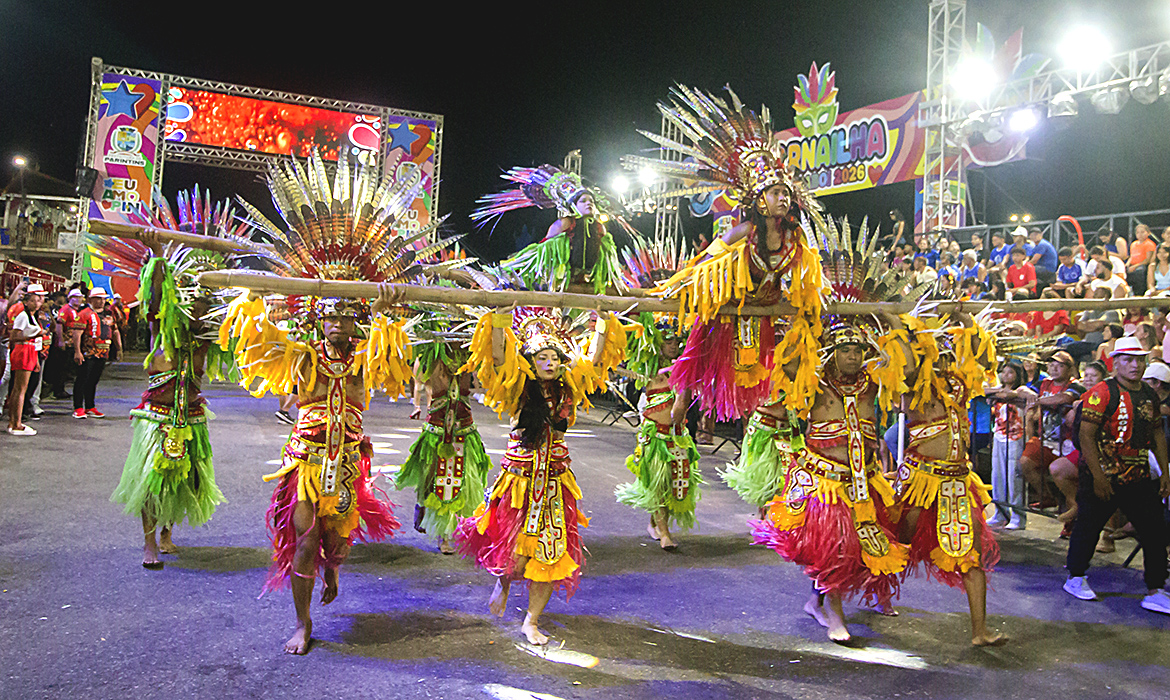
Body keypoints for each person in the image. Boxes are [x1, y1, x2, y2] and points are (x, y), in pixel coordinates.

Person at [455, 305, 625, 646]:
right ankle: (502, 584)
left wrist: (604, 323)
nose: (548, 362)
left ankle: (531, 621)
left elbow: (591, 361)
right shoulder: (518, 387)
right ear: (530, 363)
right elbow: (501, 360)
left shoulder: (568, 388)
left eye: (553, 357)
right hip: (519, 482)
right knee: (514, 556)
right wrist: (501, 321)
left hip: (555, 483)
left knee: (550, 554)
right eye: (541, 357)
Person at [752, 316, 909, 642]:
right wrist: (805, 323)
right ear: (831, 353)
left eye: (858, 350)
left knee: (861, 547)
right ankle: (836, 615)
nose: (853, 356)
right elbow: (790, 363)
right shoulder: (815, 380)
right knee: (835, 547)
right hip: (825, 481)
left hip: (864, 482)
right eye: (845, 350)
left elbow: (904, 368)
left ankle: (817, 600)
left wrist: (894, 323)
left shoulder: (873, 382)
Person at [110, 236, 230, 568]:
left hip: (192, 418)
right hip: (157, 417)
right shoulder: (161, 328)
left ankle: (166, 532)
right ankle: (149, 543)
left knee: (182, 481)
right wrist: (159, 257)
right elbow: (153, 297)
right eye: (191, 303)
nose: (197, 310)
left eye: (203, 306)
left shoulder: (207, 338)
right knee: (151, 482)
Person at [892, 313, 1005, 646]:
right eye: (930, 347)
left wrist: (965, 319)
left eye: (942, 347)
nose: (938, 354)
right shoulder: (911, 382)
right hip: (919, 482)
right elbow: (909, 363)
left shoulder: (959, 382)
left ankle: (979, 631)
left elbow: (983, 359)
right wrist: (896, 322)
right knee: (895, 545)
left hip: (958, 482)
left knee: (971, 555)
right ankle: (875, 596)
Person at [1063, 338, 1170, 615]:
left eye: (1139, 359)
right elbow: (1086, 435)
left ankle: (1156, 588)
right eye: (1128, 359)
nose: (1135, 365)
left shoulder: (1148, 394)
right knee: (1089, 526)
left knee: (1154, 531)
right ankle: (1076, 576)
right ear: (1115, 362)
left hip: (1139, 475)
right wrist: (1098, 477)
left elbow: (1157, 432)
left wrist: (1164, 471)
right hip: (1104, 474)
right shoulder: (1101, 392)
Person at [395, 330, 493, 554]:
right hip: (437, 434)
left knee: (463, 482)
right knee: (437, 483)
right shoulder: (432, 360)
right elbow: (419, 379)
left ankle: (453, 532)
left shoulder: (470, 361)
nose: (456, 347)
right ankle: (442, 533)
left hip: (465, 432)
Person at [473, 164, 628, 294]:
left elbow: (607, 260)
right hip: (559, 283)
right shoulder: (565, 224)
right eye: (583, 201)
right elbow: (539, 253)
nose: (589, 204)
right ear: (573, 206)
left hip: (585, 284)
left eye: (592, 201)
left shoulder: (600, 228)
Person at [616, 317, 700, 550]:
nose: (673, 345)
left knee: (675, 486)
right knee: (657, 485)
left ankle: (655, 523)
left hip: (677, 436)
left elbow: (682, 407)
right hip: (655, 438)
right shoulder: (647, 369)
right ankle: (664, 533)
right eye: (667, 340)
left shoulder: (684, 369)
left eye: (676, 341)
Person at [1020, 352, 1084, 527]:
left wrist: (1038, 401)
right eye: (1051, 364)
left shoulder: (1076, 385)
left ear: (1070, 369)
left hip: (1068, 443)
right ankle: (1046, 497)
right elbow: (1022, 389)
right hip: (1046, 439)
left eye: (1060, 365)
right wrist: (1029, 394)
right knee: (1026, 461)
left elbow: (1065, 398)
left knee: (1068, 482)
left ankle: (1071, 525)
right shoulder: (1045, 383)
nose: (1054, 368)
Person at [986, 363, 1036, 529]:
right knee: (997, 475)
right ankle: (1001, 512)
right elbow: (983, 391)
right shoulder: (998, 390)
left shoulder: (1021, 389)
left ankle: (1018, 515)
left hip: (1016, 437)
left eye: (1010, 372)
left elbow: (1031, 394)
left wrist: (1010, 394)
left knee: (1014, 476)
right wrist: (999, 393)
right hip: (999, 436)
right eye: (1004, 372)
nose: (1006, 375)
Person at [6, 283, 48, 436]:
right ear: (28, 300)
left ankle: (14, 421)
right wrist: (35, 335)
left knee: (20, 389)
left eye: (40, 299)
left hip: (29, 351)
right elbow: (14, 336)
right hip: (23, 350)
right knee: (20, 389)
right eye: (36, 299)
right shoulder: (23, 315)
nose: (39, 302)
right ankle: (16, 424)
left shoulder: (31, 315)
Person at [72, 287, 120, 419]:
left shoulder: (108, 314)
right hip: (87, 352)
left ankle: (90, 406)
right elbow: (77, 334)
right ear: (91, 300)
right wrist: (77, 351)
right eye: (98, 298)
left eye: (103, 298)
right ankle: (78, 407)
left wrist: (119, 348)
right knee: (82, 379)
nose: (101, 301)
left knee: (93, 380)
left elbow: (115, 331)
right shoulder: (84, 314)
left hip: (103, 352)